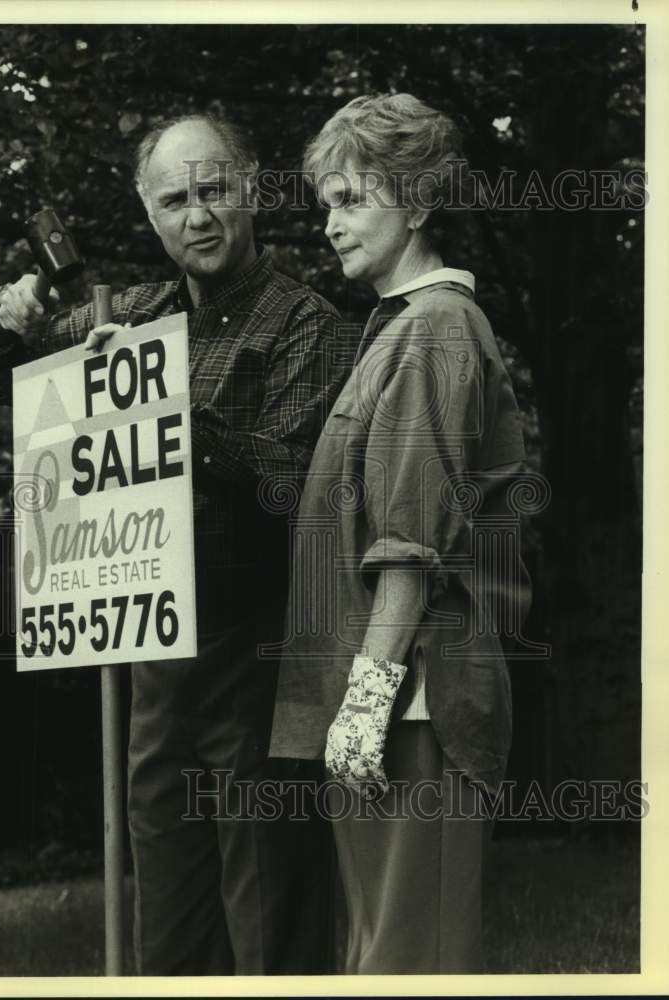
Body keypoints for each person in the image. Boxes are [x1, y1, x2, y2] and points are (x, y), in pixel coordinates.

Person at [0, 112, 351, 975]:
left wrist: (171, 416)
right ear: (147, 213)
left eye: (213, 191)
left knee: (272, 931)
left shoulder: (307, 326)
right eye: (174, 200)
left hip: (261, 667)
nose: (197, 217)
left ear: (249, 186)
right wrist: (9, 317)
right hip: (152, 671)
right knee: (168, 939)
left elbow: (287, 485)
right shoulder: (124, 318)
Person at [269, 93, 532, 974]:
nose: (331, 225)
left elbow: (409, 544)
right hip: (385, 705)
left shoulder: (433, 331)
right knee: (378, 958)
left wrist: (368, 695)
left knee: (407, 964)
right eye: (326, 205)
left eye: (351, 200)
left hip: (414, 703)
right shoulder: (395, 331)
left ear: (417, 204)